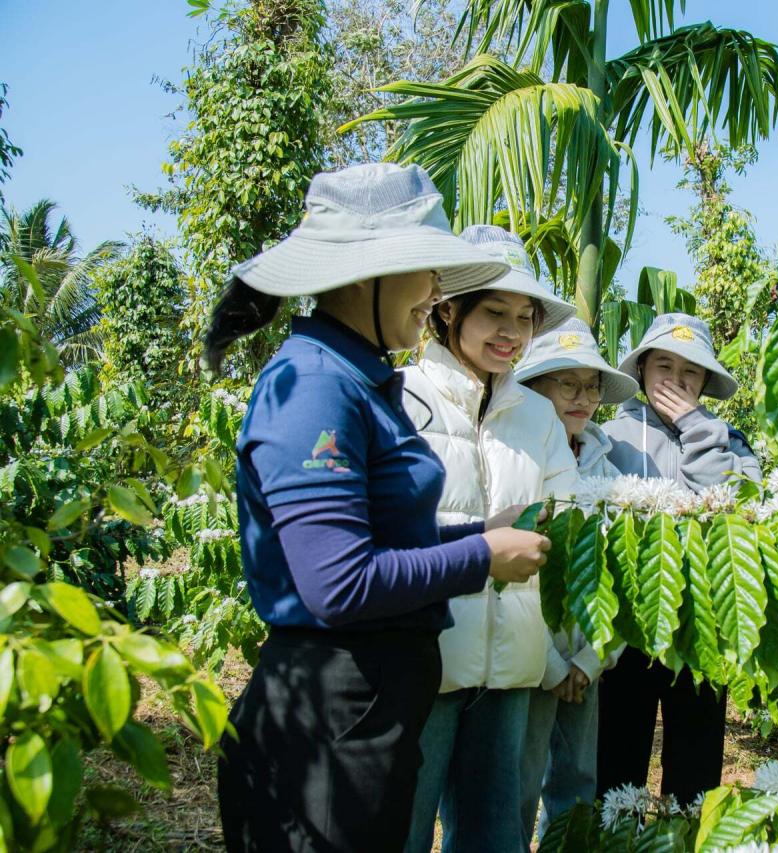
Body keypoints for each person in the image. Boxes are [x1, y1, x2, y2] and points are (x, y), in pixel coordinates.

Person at [211, 162, 552, 852]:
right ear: (368, 273)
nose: (435, 292)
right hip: (329, 717)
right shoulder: (313, 384)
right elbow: (338, 582)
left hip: (369, 709)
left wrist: (473, 532)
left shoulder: (360, 379)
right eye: (425, 271)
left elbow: (381, 535)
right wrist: (481, 557)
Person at [401, 225, 580, 853]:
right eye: (494, 313)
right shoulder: (402, 400)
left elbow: (568, 513)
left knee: (494, 835)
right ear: (448, 310)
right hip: (426, 661)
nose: (512, 332)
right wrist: (483, 541)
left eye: (525, 318)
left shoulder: (537, 415)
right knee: (402, 826)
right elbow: (383, 532)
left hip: (510, 666)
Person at [595, 313, 762, 807]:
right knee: (616, 763)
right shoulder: (612, 438)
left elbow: (738, 506)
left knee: (695, 765)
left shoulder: (729, 441)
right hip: (627, 628)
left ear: (706, 381)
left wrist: (696, 428)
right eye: (663, 365)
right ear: (642, 371)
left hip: (702, 626)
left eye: (690, 371)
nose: (675, 380)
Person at [512, 318, 639, 843]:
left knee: (575, 782)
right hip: (529, 659)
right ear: (537, 387)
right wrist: (548, 665)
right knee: (517, 786)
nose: (582, 397)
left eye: (591, 385)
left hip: (587, 660)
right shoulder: (521, 460)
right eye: (567, 383)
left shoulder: (608, 470)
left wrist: (590, 662)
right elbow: (515, 575)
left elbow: (623, 578)